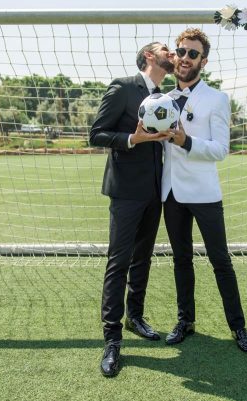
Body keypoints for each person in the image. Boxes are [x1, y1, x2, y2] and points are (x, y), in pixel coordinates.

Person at [162, 28, 247, 354]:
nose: (185, 58)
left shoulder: (217, 99)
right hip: (171, 194)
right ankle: (185, 321)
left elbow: (220, 150)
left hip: (204, 194)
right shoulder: (161, 101)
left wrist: (186, 141)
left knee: (220, 261)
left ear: (203, 61)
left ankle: (238, 327)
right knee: (181, 260)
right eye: (181, 51)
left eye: (193, 53)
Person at [89, 42, 174, 377]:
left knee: (143, 259)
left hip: (153, 191)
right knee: (119, 262)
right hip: (125, 192)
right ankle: (112, 339)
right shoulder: (123, 87)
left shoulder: (164, 97)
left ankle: (135, 317)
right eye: (166, 49)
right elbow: (96, 134)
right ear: (149, 56)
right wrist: (132, 139)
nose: (172, 53)